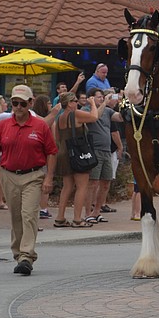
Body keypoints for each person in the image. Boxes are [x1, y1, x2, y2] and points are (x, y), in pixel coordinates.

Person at [0, 85, 57, 276]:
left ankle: (26, 256)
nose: (18, 107)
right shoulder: (3, 126)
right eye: (15, 103)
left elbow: (52, 152)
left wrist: (49, 177)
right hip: (9, 175)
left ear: (30, 103)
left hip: (33, 175)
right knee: (16, 217)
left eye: (23, 103)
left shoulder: (40, 125)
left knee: (29, 215)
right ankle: (18, 254)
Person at [53, 92, 100, 228]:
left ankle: (60, 217)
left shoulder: (60, 118)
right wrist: (92, 104)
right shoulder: (76, 114)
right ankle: (77, 219)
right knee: (82, 187)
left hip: (63, 153)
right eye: (74, 101)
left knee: (67, 186)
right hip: (78, 153)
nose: (77, 103)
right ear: (68, 103)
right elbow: (94, 117)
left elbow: (57, 138)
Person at [83, 88, 118, 223]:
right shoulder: (87, 110)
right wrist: (105, 103)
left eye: (102, 97)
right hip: (94, 150)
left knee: (106, 182)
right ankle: (88, 213)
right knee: (93, 183)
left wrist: (125, 104)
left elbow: (119, 117)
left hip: (107, 151)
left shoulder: (108, 111)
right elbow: (94, 117)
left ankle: (97, 211)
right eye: (99, 97)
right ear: (90, 98)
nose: (102, 99)